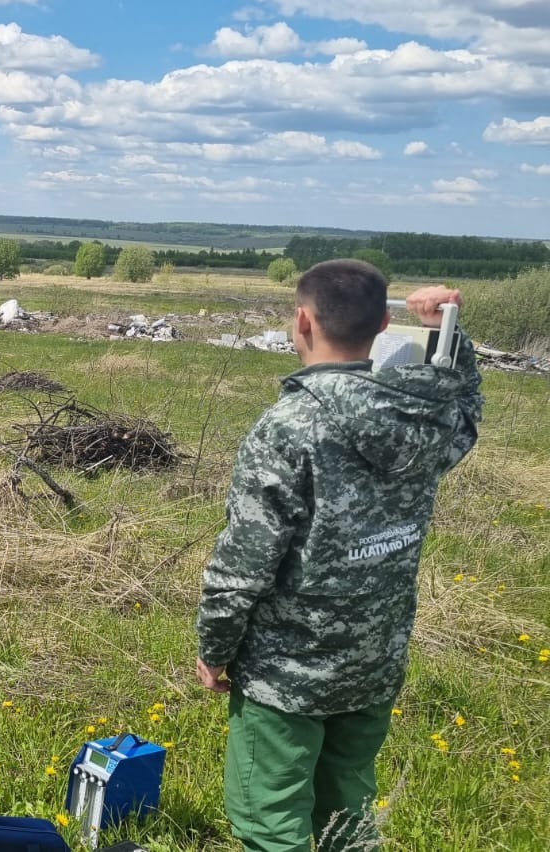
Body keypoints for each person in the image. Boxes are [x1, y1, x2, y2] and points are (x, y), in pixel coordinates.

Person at [195, 260, 484, 852]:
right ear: (382, 323)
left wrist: (214, 648)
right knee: (346, 814)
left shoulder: (289, 426)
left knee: (270, 822)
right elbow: (466, 410)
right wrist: (450, 333)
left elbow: (244, 561)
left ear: (301, 321)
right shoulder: (422, 419)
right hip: (375, 662)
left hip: (286, 675)